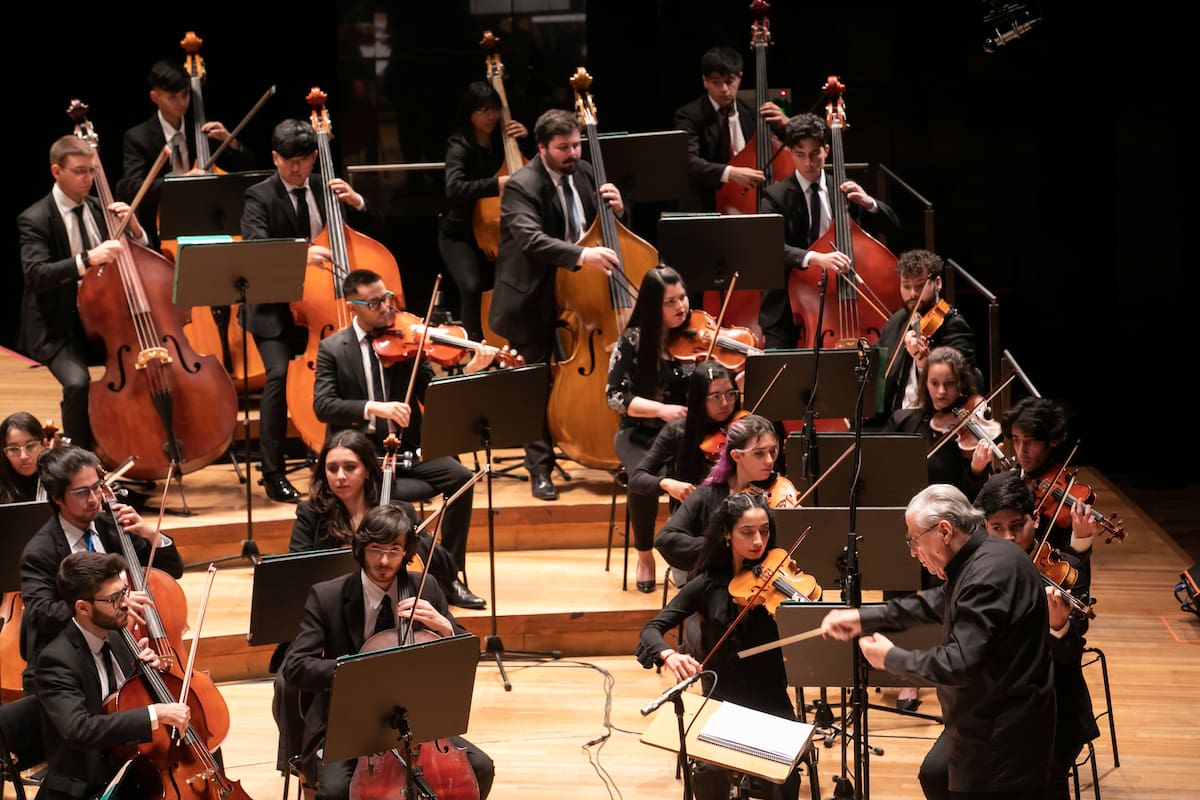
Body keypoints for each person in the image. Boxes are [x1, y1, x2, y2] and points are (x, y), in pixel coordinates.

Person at [820, 484, 1055, 800]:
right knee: (934, 774)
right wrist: (862, 618)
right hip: (991, 718)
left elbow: (958, 664)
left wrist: (891, 658)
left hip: (1000, 739)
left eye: (914, 540)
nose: (913, 551)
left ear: (944, 531)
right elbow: (936, 603)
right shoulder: (986, 557)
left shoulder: (988, 574)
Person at [280, 504, 494, 800]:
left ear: (407, 553)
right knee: (334, 793)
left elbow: (467, 658)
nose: (383, 560)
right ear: (361, 547)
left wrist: (447, 629)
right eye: (375, 549)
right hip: (349, 721)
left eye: (394, 550)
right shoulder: (328, 595)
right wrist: (356, 671)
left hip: (413, 721)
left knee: (481, 767)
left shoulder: (426, 588)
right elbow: (295, 667)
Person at [313, 268, 494, 605]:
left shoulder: (406, 341)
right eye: (375, 302)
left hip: (407, 449)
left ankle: (449, 575)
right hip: (362, 459)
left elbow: (432, 391)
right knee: (397, 509)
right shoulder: (333, 348)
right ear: (354, 306)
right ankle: (397, 579)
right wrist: (374, 408)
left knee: (461, 478)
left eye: (387, 299)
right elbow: (323, 405)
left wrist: (469, 371)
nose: (386, 308)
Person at [241, 118, 383, 504]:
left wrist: (358, 202)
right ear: (275, 158)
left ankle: (352, 459)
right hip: (274, 311)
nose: (296, 169)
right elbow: (255, 249)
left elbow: (371, 233)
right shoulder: (259, 196)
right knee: (276, 376)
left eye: (303, 161)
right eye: (288, 162)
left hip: (324, 308)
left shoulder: (326, 188)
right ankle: (272, 473)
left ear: (314, 157)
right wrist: (300, 255)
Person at [489, 107, 625, 501]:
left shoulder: (582, 173)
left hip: (580, 298)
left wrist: (617, 210)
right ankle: (540, 469)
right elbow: (531, 240)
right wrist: (583, 257)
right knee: (535, 385)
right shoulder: (521, 185)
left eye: (576, 145)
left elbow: (602, 229)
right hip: (531, 297)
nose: (573, 153)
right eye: (563, 147)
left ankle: (612, 452)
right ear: (542, 148)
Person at [637, 491, 803, 800]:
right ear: (726, 533)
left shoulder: (782, 580)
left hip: (772, 704)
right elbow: (652, 629)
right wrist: (669, 655)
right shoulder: (707, 584)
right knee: (709, 776)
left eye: (764, 531)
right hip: (722, 705)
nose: (758, 541)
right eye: (747, 532)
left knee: (780, 781)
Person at [17, 134, 151, 451]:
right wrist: (87, 259)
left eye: (91, 170)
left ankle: (133, 449)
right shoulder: (35, 219)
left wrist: (134, 229)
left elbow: (138, 259)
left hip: (104, 320)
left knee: (145, 369)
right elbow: (36, 275)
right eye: (79, 171)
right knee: (78, 384)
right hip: (59, 327)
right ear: (56, 172)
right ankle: (79, 460)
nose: (87, 178)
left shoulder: (99, 208)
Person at [18, 445, 183, 693]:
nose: (95, 499)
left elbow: (172, 570)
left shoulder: (111, 527)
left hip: (124, 650)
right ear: (57, 496)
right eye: (82, 492)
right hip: (71, 664)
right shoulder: (40, 552)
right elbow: (43, 614)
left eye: (96, 487)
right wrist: (110, 603)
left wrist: (149, 532)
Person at [975, 472, 1099, 800]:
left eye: (1018, 525)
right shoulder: (977, 568)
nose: (1009, 539)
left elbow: (1073, 647)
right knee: (934, 772)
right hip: (994, 705)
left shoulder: (1061, 567)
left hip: (1053, 705)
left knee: (1038, 778)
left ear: (1035, 520)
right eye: (996, 528)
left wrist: (1058, 629)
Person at [33, 551, 191, 800]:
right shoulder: (56, 660)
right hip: (87, 787)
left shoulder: (118, 636)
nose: (126, 603)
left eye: (125, 592)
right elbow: (80, 729)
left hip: (131, 769)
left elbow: (123, 701)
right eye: (114, 598)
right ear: (83, 607)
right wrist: (156, 712)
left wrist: (148, 671)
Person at [757, 112, 900, 350]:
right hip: (791, 311)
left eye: (814, 154)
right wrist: (817, 258)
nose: (808, 163)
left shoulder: (843, 190)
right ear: (790, 152)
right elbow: (769, 247)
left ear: (826, 150)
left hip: (840, 301)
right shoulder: (775, 197)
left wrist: (868, 203)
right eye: (800, 155)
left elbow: (893, 226)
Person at [605, 266, 695, 591]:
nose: (681, 306)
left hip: (683, 435)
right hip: (638, 432)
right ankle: (645, 555)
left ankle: (685, 555)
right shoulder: (632, 340)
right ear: (653, 305)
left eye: (682, 297)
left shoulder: (694, 339)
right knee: (643, 479)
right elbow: (614, 395)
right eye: (670, 302)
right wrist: (661, 410)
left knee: (697, 473)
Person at [116, 58, 255, 250]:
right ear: (155, 98)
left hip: (208, 224)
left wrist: (231, 142)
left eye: (185, 94)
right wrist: (179, 183)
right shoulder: (138, 138)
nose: (182, 103)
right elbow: (132, 188)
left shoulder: (202, 130)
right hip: (161, 230)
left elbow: (247, 170)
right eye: (173, 97)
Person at [628, 361, 744, 579]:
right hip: (696, 527)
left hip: (741, 523)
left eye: (730, 394)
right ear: (700, 398)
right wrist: (666, 483)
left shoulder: (744, 427)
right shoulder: (677, 430)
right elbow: (637, 479)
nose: (726, 403)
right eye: (716, 396)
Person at [438, 80, 530, 341]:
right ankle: (473, 345)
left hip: (495, 232)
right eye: (483, 110)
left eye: (495, 109)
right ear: (470, 112)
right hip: (460, 233)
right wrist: (497, 184)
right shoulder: (459, 145)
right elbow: (454, 188)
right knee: (471, 287)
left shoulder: (505, 142)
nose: (491, 116)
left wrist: (527, 139)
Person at [655, 413, 792, 574]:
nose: (769, 461)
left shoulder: (780, 492)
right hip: (715, 584)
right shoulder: (706, 495)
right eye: (759, 453)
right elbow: (665, 539)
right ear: (736, 456)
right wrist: (724, 545)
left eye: (773, 452)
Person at [672, 45, 789, 213]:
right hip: (707, 207)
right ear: (705, 81)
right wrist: (731, 173)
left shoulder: (752, 112)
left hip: (747, 203)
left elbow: (795, 143)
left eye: (729, 81)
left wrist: (786, 124)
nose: (724, 89)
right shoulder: (689, 115)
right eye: (716, 82)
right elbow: (688, 161)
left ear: (739, 78)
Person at [872, 249, 976, 425]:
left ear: (937, 283)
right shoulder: (896, 322)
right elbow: (876, 372)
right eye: (906, 286)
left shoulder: (953, 325)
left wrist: (923, 362)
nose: (912, 294)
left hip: (933, 419)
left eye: (919, 286)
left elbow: (962, 380)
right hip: (893, 417)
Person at [883, 346, 994, 507]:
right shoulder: (902, 421)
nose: (941, 391)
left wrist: (975, 471)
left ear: (961, 384)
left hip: (950, 514)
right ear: (925, 382)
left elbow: (971, 500)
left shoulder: (969, 430)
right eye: (934, 383)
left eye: (949, 383)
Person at [1000, 396, 1107, 560]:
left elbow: (1077, 581)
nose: (1021, 451)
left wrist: (1082, 540)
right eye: (1016, 440)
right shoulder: (999, 484)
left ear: (1053, 441)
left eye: (1031, 441)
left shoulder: (1065, 504)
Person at [1, 412, 47, 504]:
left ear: (44, 445)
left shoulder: (58, 477)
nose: (23, 456)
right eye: (13, 449)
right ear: (4, 452)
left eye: (30, 446)